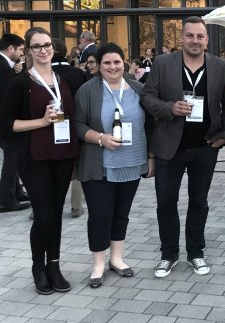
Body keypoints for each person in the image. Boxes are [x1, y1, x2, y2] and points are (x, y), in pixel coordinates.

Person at [141, 17, 225, 278]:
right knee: (166, 203)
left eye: (200, 36)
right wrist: (169, 108)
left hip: (205, 146)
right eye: (190, 36)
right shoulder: (162, 63)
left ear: (206, 40)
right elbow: (147, 98)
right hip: (169, 147)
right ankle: (168, 254)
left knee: (199, 202)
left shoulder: (218, 66)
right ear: (181, 38)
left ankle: (196, 252)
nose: (195, 41)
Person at [0, 27, 78, 294]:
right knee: (43, 216)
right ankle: (38, 267)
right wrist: (42, 122)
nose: (43, 50)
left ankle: (54, 266)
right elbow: (6, 124)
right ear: (28, 51)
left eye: (46, 45)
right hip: (34, 158)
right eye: (36, 47)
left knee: (55, 214)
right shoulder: (20, 83)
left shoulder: (63, 80)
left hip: (63, 155)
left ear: (53, 48)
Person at [74, 43, 154, 288]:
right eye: (106, 63)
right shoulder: (88, 90)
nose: (112, 67)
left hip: (131, 162)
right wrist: (100, 138)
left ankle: (117, 258)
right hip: (99, 164)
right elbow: (77, 125)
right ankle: (98, 263)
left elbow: (150, 125)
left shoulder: (139, 89)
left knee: (121, 213)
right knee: (100, 215)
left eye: (117, 62)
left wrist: (151, 156)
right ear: (99, 66)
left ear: (125, 63)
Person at [51, 37, 87, 219]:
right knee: (76, 163)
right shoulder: (77, 73)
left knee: (50, 164)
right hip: (74, 124)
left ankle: (41, 206)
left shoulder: (44, 73)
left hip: (50, 124)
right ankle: (76, 206)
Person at [0, 33, 31, 212]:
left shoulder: (6, 66)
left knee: (14, 158)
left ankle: (16, 192)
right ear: (10, 48)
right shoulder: (4, 67)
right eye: (20, 50)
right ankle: (7, 199)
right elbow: (7, 97)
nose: (21, 54)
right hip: (6, 123)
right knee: (12, 159)